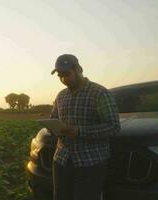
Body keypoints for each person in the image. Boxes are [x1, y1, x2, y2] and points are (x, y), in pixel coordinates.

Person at [50, 54, 121, 200]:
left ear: (78, 69)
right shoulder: (61, 96)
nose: (63, 79)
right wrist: (52, 126)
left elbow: (113, 127)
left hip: (90, 161)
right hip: (62, 159)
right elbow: (54, 118)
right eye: (60, 75)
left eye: (67, 74)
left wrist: (80, 131)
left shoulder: (99, 93)